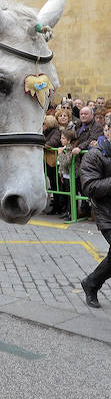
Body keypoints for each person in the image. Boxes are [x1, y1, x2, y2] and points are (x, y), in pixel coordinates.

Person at [79, 122, 111, 308]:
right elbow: (89, 187)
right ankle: (91, 283)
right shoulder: (94, 155)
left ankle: (91, 283)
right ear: (107, 131)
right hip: (107, 215)